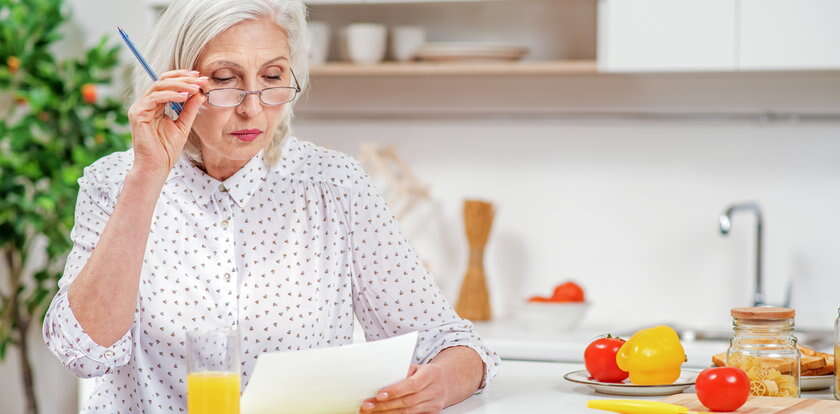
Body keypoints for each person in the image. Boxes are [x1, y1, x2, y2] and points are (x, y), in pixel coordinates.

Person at [42, 0, 500, 412]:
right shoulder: (115, 183)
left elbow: (452, 343)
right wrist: (147, 176)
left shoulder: (333, 184)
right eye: (224, 80)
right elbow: (83, 352)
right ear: (174, 84)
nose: (252, 109)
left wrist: (439, 384)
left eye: (273, 78)